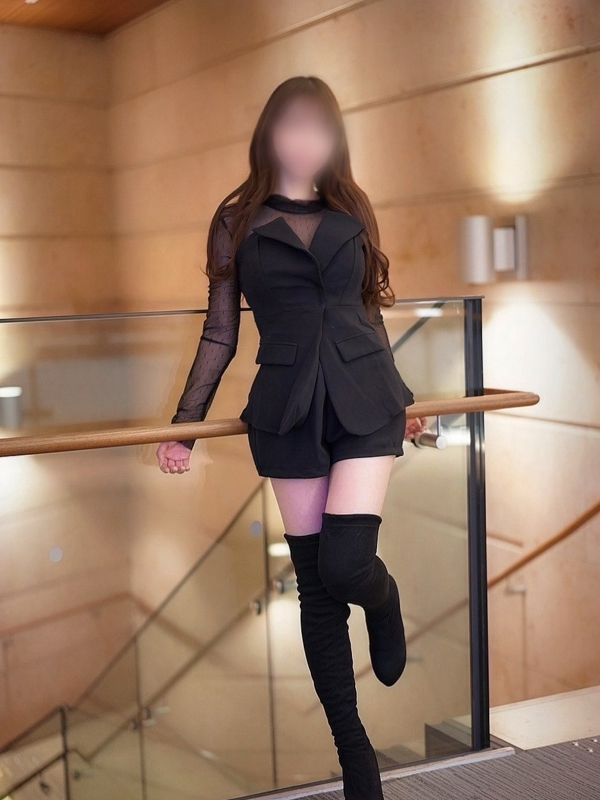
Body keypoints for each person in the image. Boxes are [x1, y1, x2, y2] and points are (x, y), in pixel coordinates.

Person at [157, 76, 427, 800]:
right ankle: (357, 758)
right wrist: (185, 426)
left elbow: (368, 312)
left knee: (347, 565)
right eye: (293, 126)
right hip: (287, 406)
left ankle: (384, 598)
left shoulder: (352, 205)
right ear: (269, 134)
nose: (306, 140)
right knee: (316, 588)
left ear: (333, 138)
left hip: (365, 397)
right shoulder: (236, 220)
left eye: (319, 128)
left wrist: (402, 397)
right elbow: (220, 330)